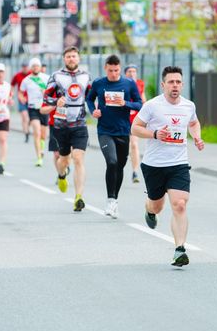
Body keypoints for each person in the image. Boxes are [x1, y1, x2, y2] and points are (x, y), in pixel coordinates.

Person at [132, 66, 204, 267]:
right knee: (157, 205)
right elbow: (135, 128)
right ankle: (149, 210)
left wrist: (197, 137)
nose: (175, 85)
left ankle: (180, 249)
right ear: (163, 85)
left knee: (180, 204)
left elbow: (193, 123)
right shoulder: (152, 106)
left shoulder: (188, 106)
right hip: (154, 165)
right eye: (171, 82)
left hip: (178, 163)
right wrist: (155, 134)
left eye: (178, 82)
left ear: (182, 84)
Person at [87, 55, 142, 219]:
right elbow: (89, 99)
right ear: (105, 68)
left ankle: (115, 200)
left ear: (120, 68)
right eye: (110, 70)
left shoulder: (128, 83)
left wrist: (126, 103)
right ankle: (110, 200)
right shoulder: (99, 83)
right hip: (105, 131)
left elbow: (139, 104)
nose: (113, 73)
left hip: (123, 131)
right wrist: (93, 111)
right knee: (111, 162)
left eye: (116, 70)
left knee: (120, 166)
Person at [43, 46, 91, 211]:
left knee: (78, 158)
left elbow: (91, 96)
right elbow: (46, 96)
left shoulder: (86, 76)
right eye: (68, 56)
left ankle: (78, 197)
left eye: (74, 56)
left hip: (80, 124)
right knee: (63, 160)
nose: (71, 59)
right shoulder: (56, 76)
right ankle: (62, 174)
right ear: (64, 59)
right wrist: (56, 101)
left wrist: (98, 109)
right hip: (61, 125)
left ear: (79, 58)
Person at [20, 58, 50, 167]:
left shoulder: (46, 78)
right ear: (30, 67)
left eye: (37, 66)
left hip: (44, 108)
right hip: (33, 108)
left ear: (40, 67)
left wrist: (45, 92)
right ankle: (39, 157)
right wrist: (22, 98)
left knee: (43, 134)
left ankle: (42, 148)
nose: (35, 68)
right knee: (36, 132)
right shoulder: (26, 80)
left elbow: (53, 92)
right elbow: (20, 92)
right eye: (33, 66)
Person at [124, 64, 147, 183]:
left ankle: (135, 172)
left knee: (134, 144)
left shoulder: (140, 83)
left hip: (134, 119)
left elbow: (143, 100)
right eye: (129, 71)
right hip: (122, 119)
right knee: (123, 146)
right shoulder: (121, 84)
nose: (132, 73)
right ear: (125, 73)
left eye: (134, 71)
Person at [11, 62, 31, 142]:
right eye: (23, 67)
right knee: (24, 117)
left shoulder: (31, 74)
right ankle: (26, 133)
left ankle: (27, 128)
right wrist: (11, 94)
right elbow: (12, 85)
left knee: (29, 118)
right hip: (21, 99)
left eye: (26, 67)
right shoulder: (17, 75)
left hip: (31, 100)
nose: (25, 68)